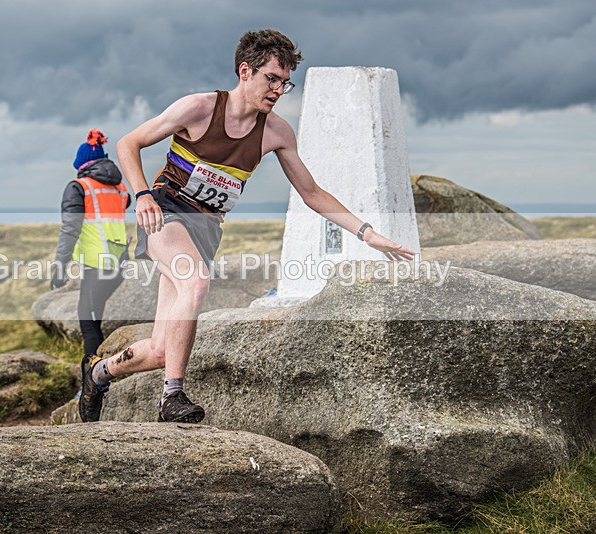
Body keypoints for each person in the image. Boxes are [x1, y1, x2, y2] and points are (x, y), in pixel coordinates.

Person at [78, 29, 415, 424]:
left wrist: (367, 233)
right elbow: (128, 144)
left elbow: (312, 192)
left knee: (159, 350)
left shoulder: (275, 132)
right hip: (166, 212)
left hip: (205, 229)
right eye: (271, 78)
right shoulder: (200, 108)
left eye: (285, 83)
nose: (278, 90)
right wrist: (143, 196)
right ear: (245, 71)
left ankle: (98, 374)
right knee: (196, 281)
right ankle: (171, 397)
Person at [51, 129, 130, 415]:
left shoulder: (79, 187)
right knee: (93, 316)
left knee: (88, 320)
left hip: (98, 264)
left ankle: (92, 382)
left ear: (81, 164)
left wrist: (60, 264)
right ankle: (95, 374)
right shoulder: (119, 188)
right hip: (118, 264)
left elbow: (70, 228)